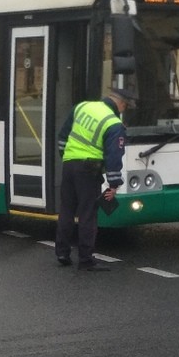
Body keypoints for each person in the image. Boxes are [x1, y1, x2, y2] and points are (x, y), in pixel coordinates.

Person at [54, 85, 131, 271]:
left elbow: (62, 137)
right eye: (125, 106)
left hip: (69, 164)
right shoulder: (113, 123)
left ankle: (62, 253)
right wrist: (114, 184)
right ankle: (86, 260)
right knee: (88, 214)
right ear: (120, 104)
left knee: (67, 210)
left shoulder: (82, 107)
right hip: (88, 170)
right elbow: (114, 157)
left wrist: (68, 157)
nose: (124, 110)